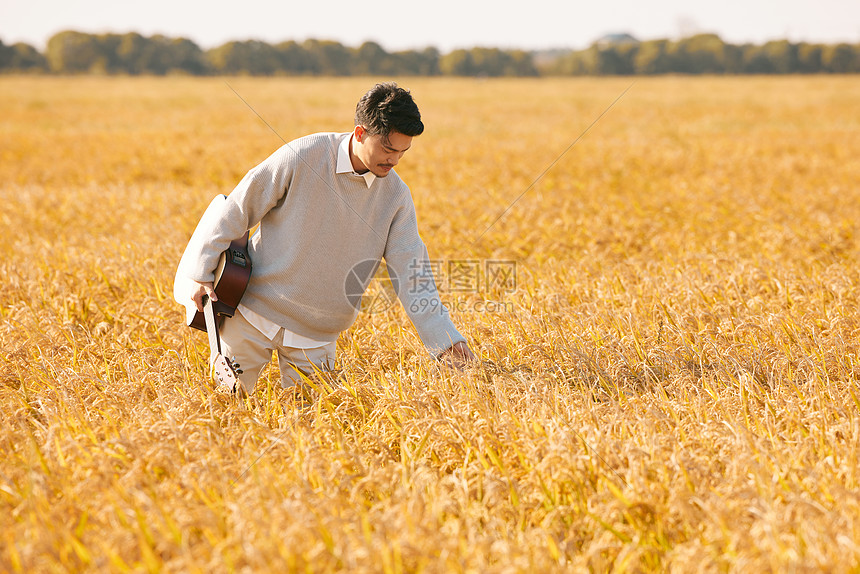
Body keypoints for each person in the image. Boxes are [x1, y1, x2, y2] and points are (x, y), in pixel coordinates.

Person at [180, 82, 475, 394]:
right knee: (224, 414)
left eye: (403, 152)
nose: (395, 161)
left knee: (312, 434)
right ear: (360, 133)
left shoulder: (396, 197)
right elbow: (237, 208)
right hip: (252, 317)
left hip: (316, 339)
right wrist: (200, 272)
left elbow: (413, 275)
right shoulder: (302, 155)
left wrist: (447, 343)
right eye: (388, 149)